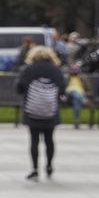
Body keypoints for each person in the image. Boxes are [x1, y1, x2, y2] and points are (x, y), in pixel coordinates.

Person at [15, 45, 67, 182]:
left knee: (34, 140)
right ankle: (49, 166)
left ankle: (35, 170)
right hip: (50, 110)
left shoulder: (28, 69)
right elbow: (62, 89)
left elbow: (19, 88)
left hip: (32, 110)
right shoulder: (56, 70)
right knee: (49, 140)